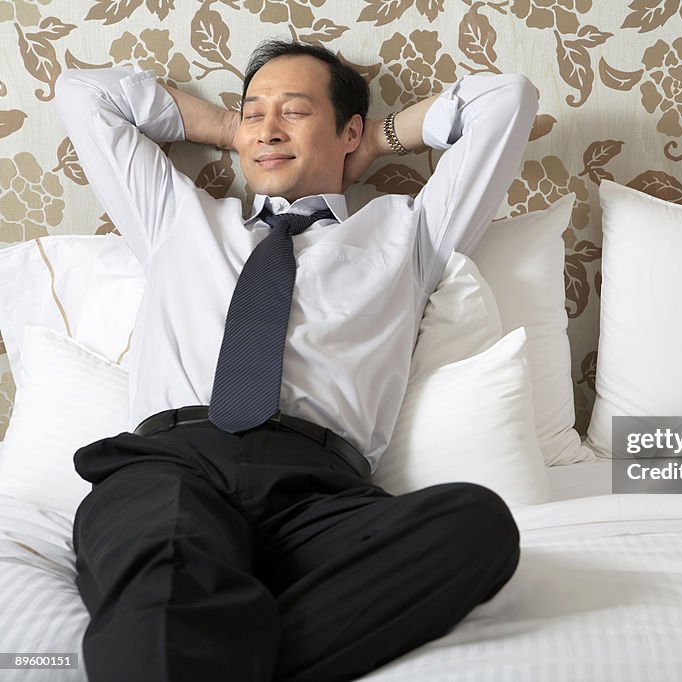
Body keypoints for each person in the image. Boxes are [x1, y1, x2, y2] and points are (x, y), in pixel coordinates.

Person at [54, 38, 539, 682]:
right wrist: (233, 128)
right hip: (176, 467)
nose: (268, 128)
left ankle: (213, 649)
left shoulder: (408, 234)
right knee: (165, 562)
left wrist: (375, 142)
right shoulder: (176, 218)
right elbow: (86, 93)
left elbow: (507, 100)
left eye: (295, 111)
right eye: (255, 112)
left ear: (349, 130)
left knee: (476, 527)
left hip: (320, 496)